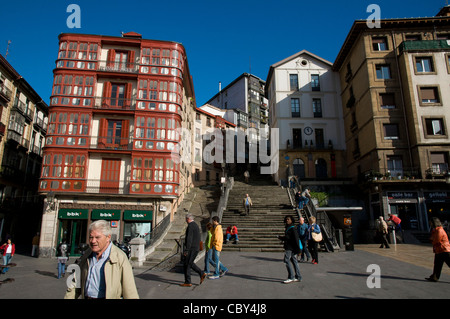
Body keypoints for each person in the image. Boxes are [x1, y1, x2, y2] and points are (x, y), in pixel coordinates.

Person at [64, 220, 139, 299]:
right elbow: (76, 283)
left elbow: (130, 290)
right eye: (91, 237)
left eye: (97, 237)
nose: (93, 241)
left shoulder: (119, 257)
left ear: (108, 237)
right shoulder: (87, 254)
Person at [181, 214, 206, 287]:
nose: (185, 220)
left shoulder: (190, 226)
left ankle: (188, 281)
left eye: (186, 219)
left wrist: (187, 249)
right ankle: (201, 273)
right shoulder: (196, 225)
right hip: (196, 247)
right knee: (189, 263)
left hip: (192, 248)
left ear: (188, 219)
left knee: (187, 264)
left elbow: (189, 238)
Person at [278, 215, 302, 283]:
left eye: (288, 219)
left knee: (286, 260)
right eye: (286, 219)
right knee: (294, 260)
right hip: (291, 246)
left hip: (290, 247)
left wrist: (299, 249)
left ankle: (291, 277)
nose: (287, 220)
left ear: (291, 220)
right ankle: (298, 276)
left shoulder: (292, 228)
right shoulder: (289, 227)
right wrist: (282, 238)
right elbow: (288, 237)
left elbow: (296, 239)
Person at [426, 217, 450, 282]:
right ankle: (434, 277)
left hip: (444, 250)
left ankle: (435, 277)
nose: (429, 224)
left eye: (430, 222)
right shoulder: (435, 230)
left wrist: (431, 240)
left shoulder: (439, 230)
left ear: (434, 222)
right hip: (439, 250)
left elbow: (436, 240)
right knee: (437, 264)